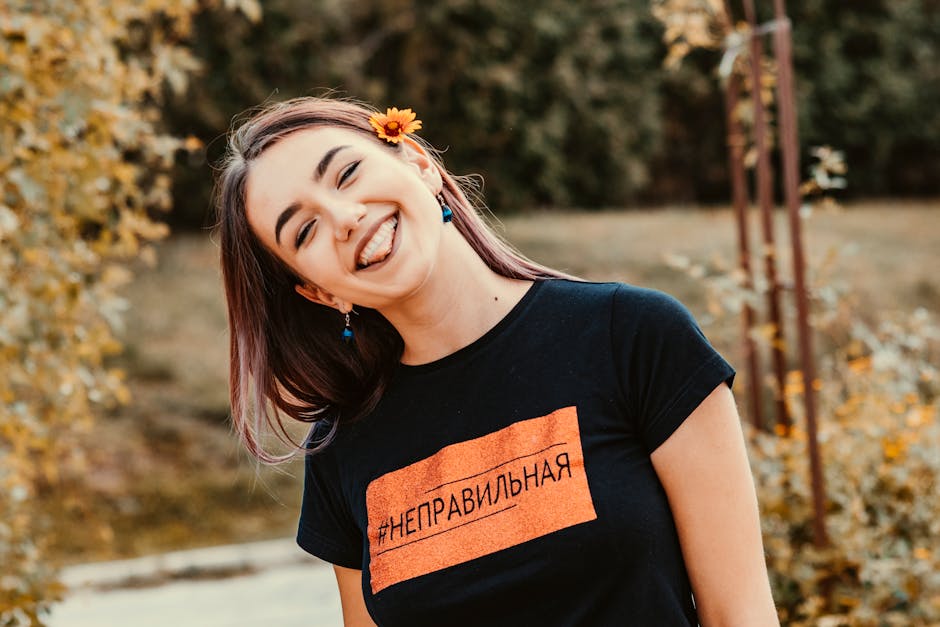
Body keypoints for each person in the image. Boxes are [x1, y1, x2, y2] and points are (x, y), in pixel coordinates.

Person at [214, 97, 779, 626]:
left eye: (346, 174)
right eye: (305, 229)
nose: (343, 217)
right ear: (318, 293)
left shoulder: (632, 338)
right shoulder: (342, 446)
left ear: (417, 163)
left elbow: (741, 616)